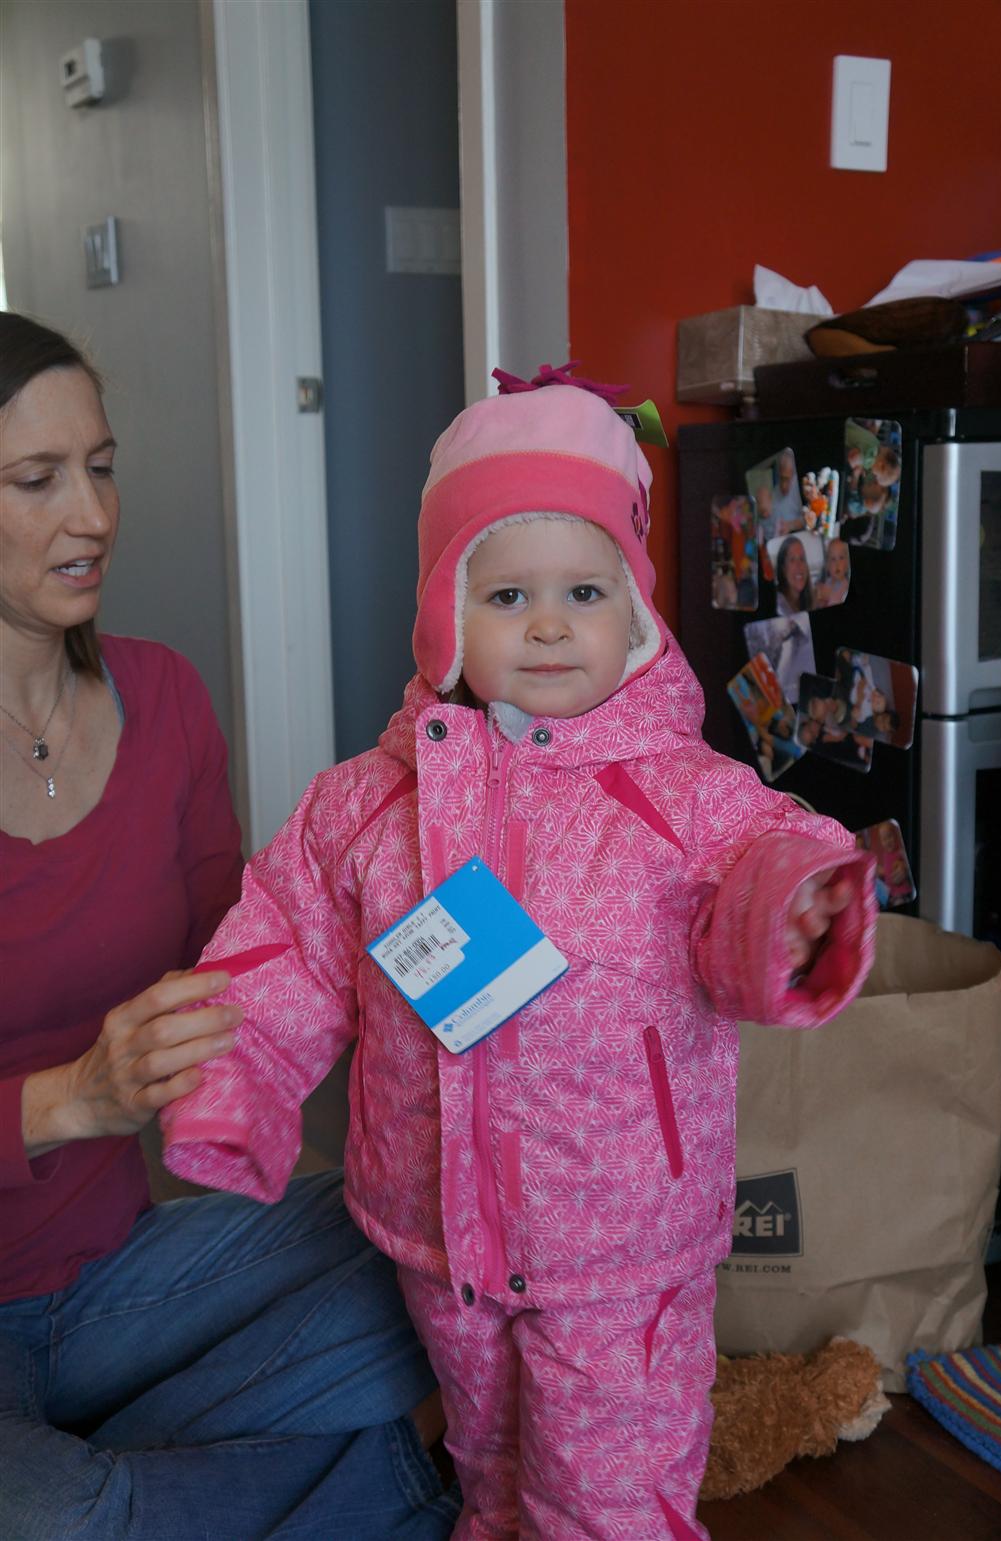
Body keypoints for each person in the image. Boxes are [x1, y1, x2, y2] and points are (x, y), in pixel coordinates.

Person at [160, 366, 876, 1539]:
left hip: (622, 1243)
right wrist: (232, 1090)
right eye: (505, 594)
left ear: (632, 616)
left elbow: (759, 870)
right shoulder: (366, 804)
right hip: (441, 1237)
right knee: (487, 1472)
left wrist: (789, 908)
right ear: (445, 615)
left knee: (607, 1499)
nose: (547, 623)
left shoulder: (686, 797)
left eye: (583, 590)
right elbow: (285, 950)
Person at [0, 312, 458, 1541]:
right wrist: (70, 1098)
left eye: (101, 466)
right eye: (38, 479)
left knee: (463, 1234)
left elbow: (246, 961)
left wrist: (419, 927)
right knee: (50, 1515)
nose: (93, 514)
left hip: (121, 1280)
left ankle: (132, 1476)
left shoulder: (162, 696)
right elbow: (87, 1090)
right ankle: (377, 1483)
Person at [775, 533, 815, 616]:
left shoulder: (811, 600)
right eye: (792, 560)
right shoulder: (778, 605)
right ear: (783, 569)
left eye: (802, 559)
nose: (799, 565)